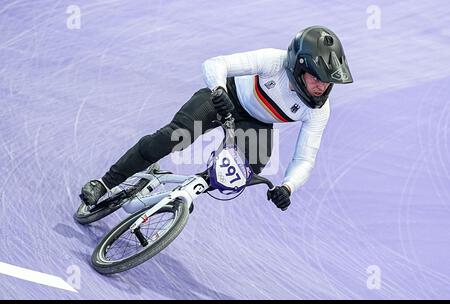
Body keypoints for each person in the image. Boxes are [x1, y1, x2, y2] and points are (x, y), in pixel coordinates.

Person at [79, 25, 353, 211]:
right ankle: (104, 184)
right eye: (316, 78)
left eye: (328, 81)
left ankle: (184, 189)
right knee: (175, 137)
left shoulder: (318, 110)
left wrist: (288, 187)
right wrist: (219, 88)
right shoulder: (273, 61)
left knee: (242, 174)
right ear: (297, 66)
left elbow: (304, 159)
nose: (322, 87)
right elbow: (215, 63)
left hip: (255, 123)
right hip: (226, 95)